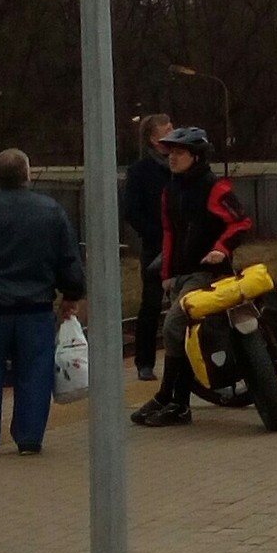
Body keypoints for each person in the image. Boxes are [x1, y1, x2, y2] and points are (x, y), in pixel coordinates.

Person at [0, 147, 85, 457]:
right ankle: (29, 438)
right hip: (35, 310)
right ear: (27, 174)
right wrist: (71, 295)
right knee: (35, 373)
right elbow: (68, 260)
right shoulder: (51, 211)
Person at [131, 125, 252, 428]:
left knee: (173, 326)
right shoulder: (170, 191)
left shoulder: (215, 188)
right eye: (170, 152)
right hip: (181, 276)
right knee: (182, 335)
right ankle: (170, 399)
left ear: (196, 157)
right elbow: (170, 234)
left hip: (208, 274)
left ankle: (176, 403)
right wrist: (167, 274)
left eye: (179, 152)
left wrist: (221, 249)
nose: (172, 157)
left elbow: (241, 223)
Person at [122, 112, 173, 382]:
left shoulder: (184, 164)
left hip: (187, 244)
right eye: (167, 129)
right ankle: (145, 362)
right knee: (151, 304)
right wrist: (155, 234)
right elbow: (131, 210)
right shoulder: (140, 172)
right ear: (154, 139)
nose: (173, 133)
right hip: (156, 247)